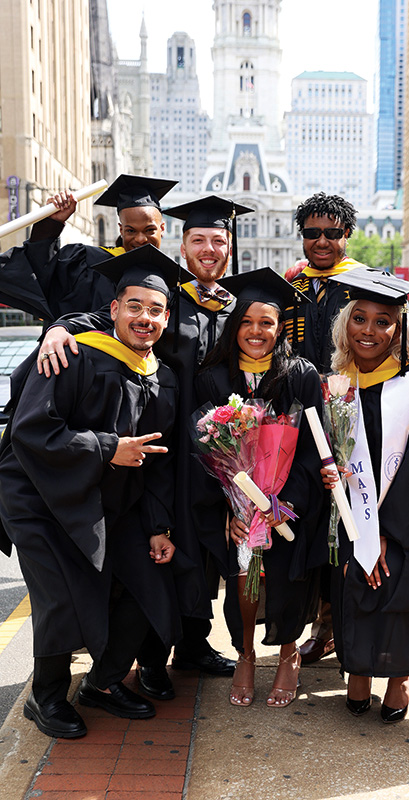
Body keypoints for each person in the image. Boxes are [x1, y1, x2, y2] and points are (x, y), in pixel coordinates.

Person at [34, 197, 255, 698]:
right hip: (161, 450)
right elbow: (93, 319)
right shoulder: (159, 297)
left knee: (203, 550)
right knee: (168, 552)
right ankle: (152, 660)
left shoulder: (234, 307)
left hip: (216, 451)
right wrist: (58, 328)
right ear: (182, 244)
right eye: (198, 239)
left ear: (230, 247)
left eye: (218, 240)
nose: (209, 248)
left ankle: (193, 645)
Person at [0, 245, 185, 738]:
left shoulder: (161, 378)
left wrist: (159, 526)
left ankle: (101, 683)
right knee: (64, 594)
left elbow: (159, 461)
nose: (144, 318)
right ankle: (46, 698)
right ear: (113, 310)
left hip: (103, 502)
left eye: (155, 310)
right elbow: (31, 431)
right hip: (38, 498)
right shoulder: (72, 354)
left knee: (146, 584)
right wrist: (107, 448)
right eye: (135, 307)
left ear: (167, 317)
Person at [193, 268, 327, 707]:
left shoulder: (300, 374)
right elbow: (202, 449)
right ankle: (245, 653)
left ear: (280, 327)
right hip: (238, 509)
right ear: (236, 326)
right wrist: (232, 508)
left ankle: (288, 654)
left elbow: (313, 444)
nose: (256, 331)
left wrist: (285, 501)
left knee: (289, 578)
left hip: (287, 504)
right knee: (242, 580)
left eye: (266, 322)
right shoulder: (213, 377)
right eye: (247, 321)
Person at [322, 268, 409, 722]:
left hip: (402, 514)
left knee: (391, 584)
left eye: (382, 321)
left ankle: (399, 674)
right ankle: (357, 668)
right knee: (351, 585)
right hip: (350, 511)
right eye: (359, 318)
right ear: (345, 324)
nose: (368, 331)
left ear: (399, 329)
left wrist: (386, 531)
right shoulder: (336, 383)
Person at [284, 192, 373, 665]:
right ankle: (320, 623)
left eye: (332, 233)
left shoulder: (363, 285)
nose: (322, 241)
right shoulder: (293, 285)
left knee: (349, 522)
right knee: (314, 523)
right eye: (312, 233)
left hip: (353, 418)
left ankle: (340, 626)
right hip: (300, 421)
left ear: (347, 235)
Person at [0, 174, 176, 325]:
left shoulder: (174, 281)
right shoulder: (87, 262)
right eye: (131, 230)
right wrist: (51, 223)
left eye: (149, 230)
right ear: (120, 229)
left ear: (162, 229)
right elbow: (40, 270)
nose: (140, 239)